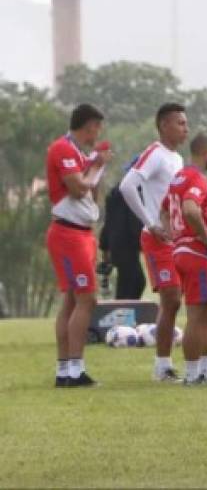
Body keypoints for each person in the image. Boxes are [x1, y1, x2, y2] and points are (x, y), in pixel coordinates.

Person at [119, 103, 188, 382]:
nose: (185, 128)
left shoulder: (177, 159)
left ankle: (166, 364)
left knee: (174, 302)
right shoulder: (155, 154)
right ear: (163, 125)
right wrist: (150, 223)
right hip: (156, 239)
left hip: (175, 238)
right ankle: (162, 366)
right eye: (180, 123)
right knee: (170, 299)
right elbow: (127, 186)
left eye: (186, 123)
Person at [47, 104, 111, 387]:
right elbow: (76, 188)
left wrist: (96, 166)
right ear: (88, 125)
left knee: (73, 300)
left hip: (81, 233)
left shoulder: (79, 153)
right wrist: (95, 165)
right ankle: (75, 370)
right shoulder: (62, 149)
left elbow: (91, 194)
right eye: (97, 127)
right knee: (87, 299)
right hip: (68, 235)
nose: (98, 133)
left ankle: (65, 371)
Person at [160, 134, 207, 385]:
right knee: (199, 315)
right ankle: (192, 375)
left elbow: (165, 209)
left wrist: (172, 235)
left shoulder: (178, 177)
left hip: (182, 251)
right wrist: (206, 238)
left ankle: (206, 370)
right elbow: (189, 209)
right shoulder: (195, 177)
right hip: (196, 252)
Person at [99, 174, 145, 299]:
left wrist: (105, 246)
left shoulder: (116, 192)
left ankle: (127, 315)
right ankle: (122, 316)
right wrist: (143, 242)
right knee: (132, 282)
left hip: (118, 244)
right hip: (126, 244)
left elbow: (108, 223)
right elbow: (134, 223)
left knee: (135, 281)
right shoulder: (132, 191)